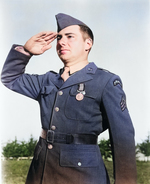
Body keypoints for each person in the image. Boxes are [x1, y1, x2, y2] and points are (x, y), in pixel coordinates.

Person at [1, 13, 137, 184]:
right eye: (59, 38)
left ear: (88, 44)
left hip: (82, 174)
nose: (61, 42)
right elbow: (10, 78)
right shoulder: (48, 80)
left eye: (69, 37)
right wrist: (26, 52)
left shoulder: (105, 81)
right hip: (41, 171)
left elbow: (123, 136)